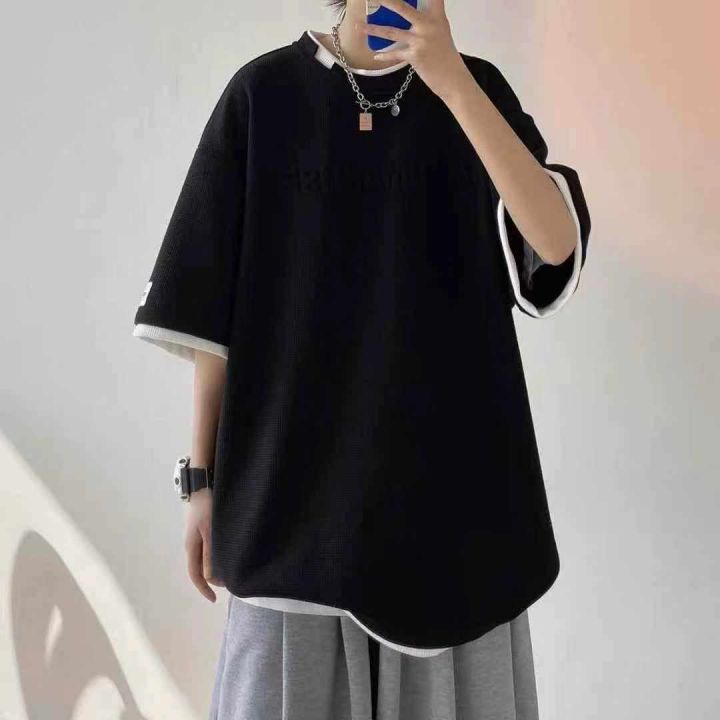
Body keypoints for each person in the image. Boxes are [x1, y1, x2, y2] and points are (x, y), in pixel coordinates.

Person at [132, 0, 591, 717]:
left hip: (456, 524)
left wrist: (452, 81)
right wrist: (200, 483)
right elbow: (212, 316)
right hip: (289, 519)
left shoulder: (475, 91)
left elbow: (554, 243)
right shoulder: (263, 96)